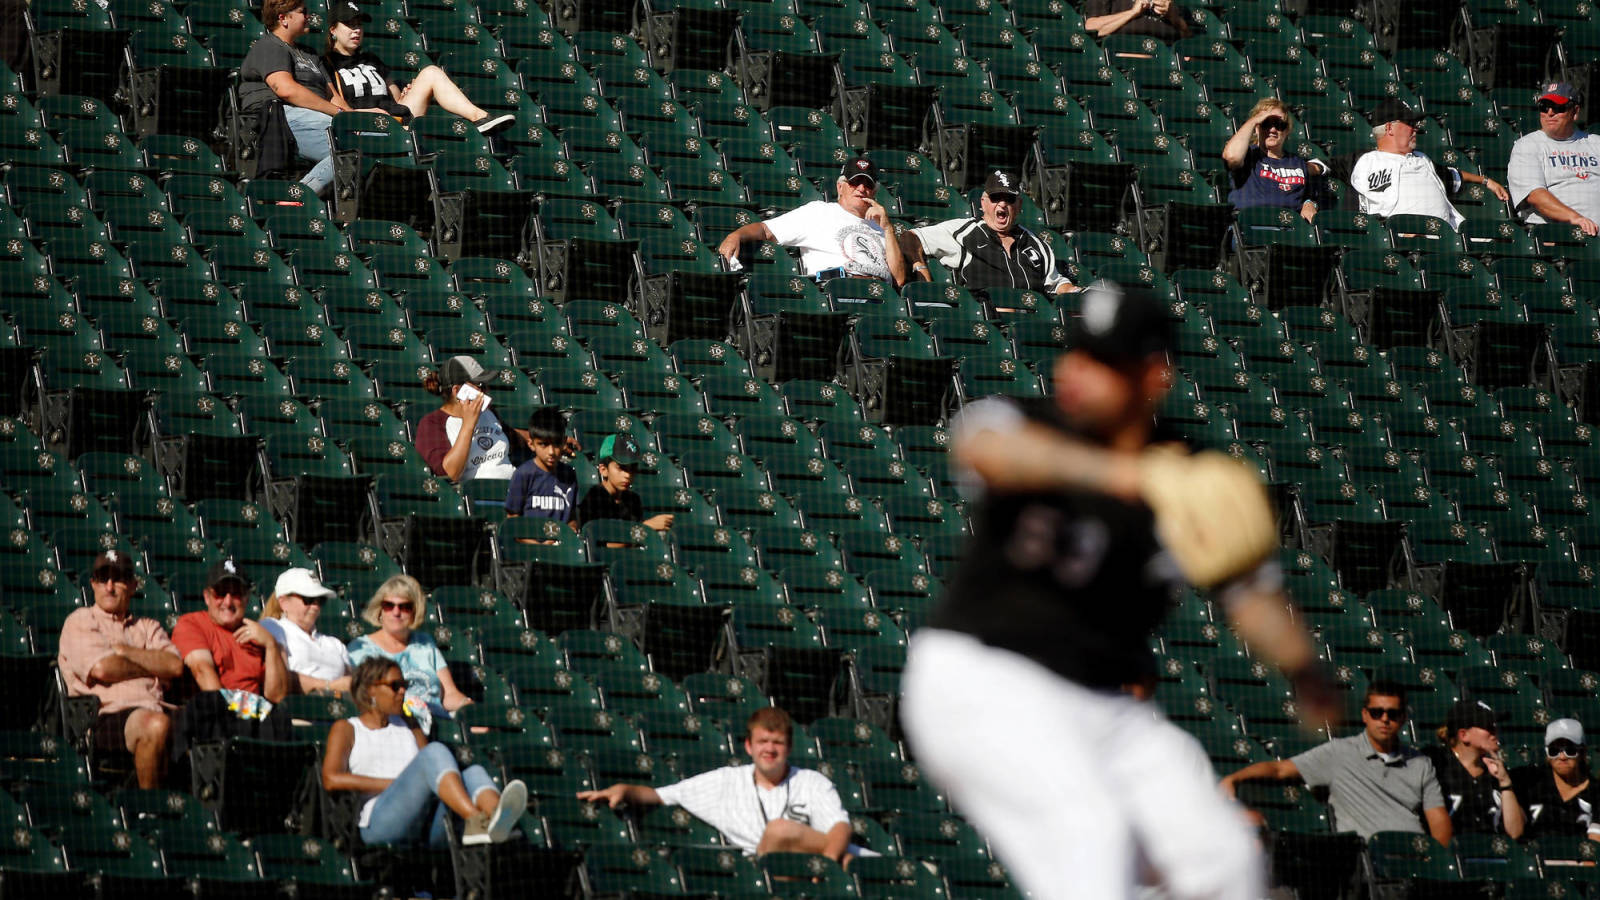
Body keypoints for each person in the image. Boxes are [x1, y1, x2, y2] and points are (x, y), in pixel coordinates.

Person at [899, 281, 1334, 899]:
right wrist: (1122, 475)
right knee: (1091, 839)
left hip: (1103, 703)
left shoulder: (1190, 470)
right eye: (1076, 351)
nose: (1076, 371)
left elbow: (1248, 593)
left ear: (1154, 374)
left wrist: (1304, 669)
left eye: (1104, 361)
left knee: (1223, 859)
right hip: (983, 682)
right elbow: (984, 448)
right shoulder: (1029, 422)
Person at [577, 707, 860, 862]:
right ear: (748, 746)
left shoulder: (811, 781)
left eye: (778, 743)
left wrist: (828, 865)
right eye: (763, 742)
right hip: (766, 872)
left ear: (789, 748)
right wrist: (625, 790)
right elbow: (662, 795)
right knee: (779, 830)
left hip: (826, 865)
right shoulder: (726, 781)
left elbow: (839, 826)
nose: (770, 750)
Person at [323, 658, 527, 847]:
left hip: (425, 823)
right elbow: (331, 779)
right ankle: (475, 819)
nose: (402, 691)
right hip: (380, 822)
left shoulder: (410, 724)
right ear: (370, 690)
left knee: (472, 771)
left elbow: (431, 774)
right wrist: (395, 784)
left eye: (405, 685)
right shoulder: (348, 728)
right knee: (434, 751)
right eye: (395, 686)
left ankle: (497, 820)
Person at [1221, 680, 1452, 844]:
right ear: (1364, 715)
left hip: (1415, 855)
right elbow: (1280, 769)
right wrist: (1235, 778)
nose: (1384, 719)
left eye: (1392, 714)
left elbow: (1438, 820)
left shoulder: (1420, 763)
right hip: (1371, 859)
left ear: (1402, 718)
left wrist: (1434, 859)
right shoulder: (1339, 753)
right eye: (1376, 712)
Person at [57, 551, 183, 788]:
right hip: (105, 717)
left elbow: (174, 665)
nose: (110, 586)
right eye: (103, 579)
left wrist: (125, 652)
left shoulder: (148, 626)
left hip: (160, 708)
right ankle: (150, 811)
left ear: (133, 585)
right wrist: (152, 666)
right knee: (154, 725)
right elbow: (104, 668)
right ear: (93, 584)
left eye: (119, 579)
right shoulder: (81, 620)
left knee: (220, 723)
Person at [321, 0, 513, 134]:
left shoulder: (372, 59)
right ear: (333, 30)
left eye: (359, 25)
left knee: (431, 72)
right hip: (366, 126)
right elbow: (338, 108)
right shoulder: (327, 63)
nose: (356, 30)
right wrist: (368, 113)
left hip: (397, 120)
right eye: (349, 24)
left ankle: (480, 118)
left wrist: (407, 94)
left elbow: (396, 101)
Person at [716, 157, 908, 286]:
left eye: (867, 184)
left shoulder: (881, 226)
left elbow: (899, 279)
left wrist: (888, 229)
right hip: (840, 290)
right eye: (854, 182)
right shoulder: (819, 212)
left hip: (880, 296)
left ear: (874, 192)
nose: (861, 188)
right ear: (840, 187)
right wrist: (736, 235)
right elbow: (766, 230)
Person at [900, 170, 1079, 294]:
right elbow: (910, 237)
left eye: (1009, 198)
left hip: (1030, 324)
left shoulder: (1036, 244)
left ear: (1019, 205)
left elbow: (1055, 284)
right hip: (988, 322)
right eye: (995, 198)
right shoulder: (964, 231)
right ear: (983, 202)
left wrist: (1072, 290)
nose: (1002, 204)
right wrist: (920, 267)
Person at [238, 0, 347, 196]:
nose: (309, 17)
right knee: (351, 148)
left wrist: (357, 119)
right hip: (278, 116)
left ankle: (300, 196)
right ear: (283, 18)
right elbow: (285, 89)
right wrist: (339, 114)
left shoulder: (311, 54)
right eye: (303, 12)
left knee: (370, 143)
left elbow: (334, 97)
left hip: (317, 116)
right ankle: (298, 199)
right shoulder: (269, 46)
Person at [1349, 98, 1509, 231]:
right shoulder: (1368, 163)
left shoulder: (1422, 160)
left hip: (1448, 238)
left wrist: (1486, 181)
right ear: (1390, 128)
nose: (1415, 129)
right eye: (1409, 123)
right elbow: (1359, 211)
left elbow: (1453, 175)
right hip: (1407, 244)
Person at [347, 575, 472, 717]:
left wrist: (468, 707)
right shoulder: (361, 648)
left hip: (436, 721)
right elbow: (360, 698)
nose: (396, 612)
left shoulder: (425, 644)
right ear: (380, 610)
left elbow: (449, 693)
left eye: (404, 607)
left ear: (414, 612)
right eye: (389, 605)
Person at [173, 558, 289, 703]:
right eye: (220, 593)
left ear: (246, 598)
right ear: (207, 597)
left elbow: (276, 696)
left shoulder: (258, 636)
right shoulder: (192, 624)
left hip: (255, 712)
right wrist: (235, 713)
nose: (227, 602)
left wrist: (271, 646)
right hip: (215, 712)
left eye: (236, 594)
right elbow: (203, 673)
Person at [1421, 699, 1526, 837]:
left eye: (1495, 725)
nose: (1495, 731)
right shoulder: (1436, 766)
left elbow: (1515, 832)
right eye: (1488, 726)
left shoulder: (1497, 772)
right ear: (1463, 735)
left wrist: (1505, 783)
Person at [1507, 82, 1600, 236]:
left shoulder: (1595, 143)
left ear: (1575, 111)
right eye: (1544, 107)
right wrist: (1576, 218)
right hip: (1559, 236)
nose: (1549, 112)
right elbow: (1535, 195)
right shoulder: (1528, 145)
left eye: (1558, 107)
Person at [415, 355, 519, 484]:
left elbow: (516, 438)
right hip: (477, 495)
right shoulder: (432, 423)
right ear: (458, 390)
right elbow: (450, 473)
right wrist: (469, 424)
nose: (486, 390)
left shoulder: (488, 412)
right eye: (480, 385)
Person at [1223, 98, 1328, 222]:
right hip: (1253, 225)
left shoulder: (1297, 162)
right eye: (1266, 123)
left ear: (1287, 130)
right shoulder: (1248, 156)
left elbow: (1311, 192)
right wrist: (1255, 120)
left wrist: (1309, 203)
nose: (1272, 130)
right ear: (1257, 128)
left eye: (1279, 124)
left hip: (1289, 228)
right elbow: (1231, 157)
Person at [261, 567, 352, 695]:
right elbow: (279, 678)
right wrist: (329, 686)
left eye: (320, 600)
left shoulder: (335, 644)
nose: (315, 606)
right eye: (308, 599)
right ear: (283, 602)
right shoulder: (273, 628)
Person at [1511, 718, 1600, 840]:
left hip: (1578, 858)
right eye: (1554, 751)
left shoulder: (1596, 793)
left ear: (1583, 753)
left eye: (1570, 750)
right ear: (1547, 755)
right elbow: (1515, 832)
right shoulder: (1531, 785)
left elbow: (1594, 847)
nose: (1562, 757)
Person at [575, 433, 673, 531]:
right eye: (621, 468)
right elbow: (603, 543)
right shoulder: (594, 499)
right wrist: (645, 527)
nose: (628, 475)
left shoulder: (633, 500)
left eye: (632, 468)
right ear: (603, 469)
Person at [505, 406, 579, 526]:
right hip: (530, 543)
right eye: (543, 444)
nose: (551, 451)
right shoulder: (523, 474)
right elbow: (513, 518)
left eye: (556, 444)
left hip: (561, 543)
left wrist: (571, 530)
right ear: (531, 444)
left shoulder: (569, 474)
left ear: (564, 442)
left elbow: (571, 518)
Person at [1084, 0, 1189, 41]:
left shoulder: (1168, 3)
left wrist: (1172, 16)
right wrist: (1133, 13)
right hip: (1126, 63)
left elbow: (1188, 36)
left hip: (1167, 62)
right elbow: (1091, 27)